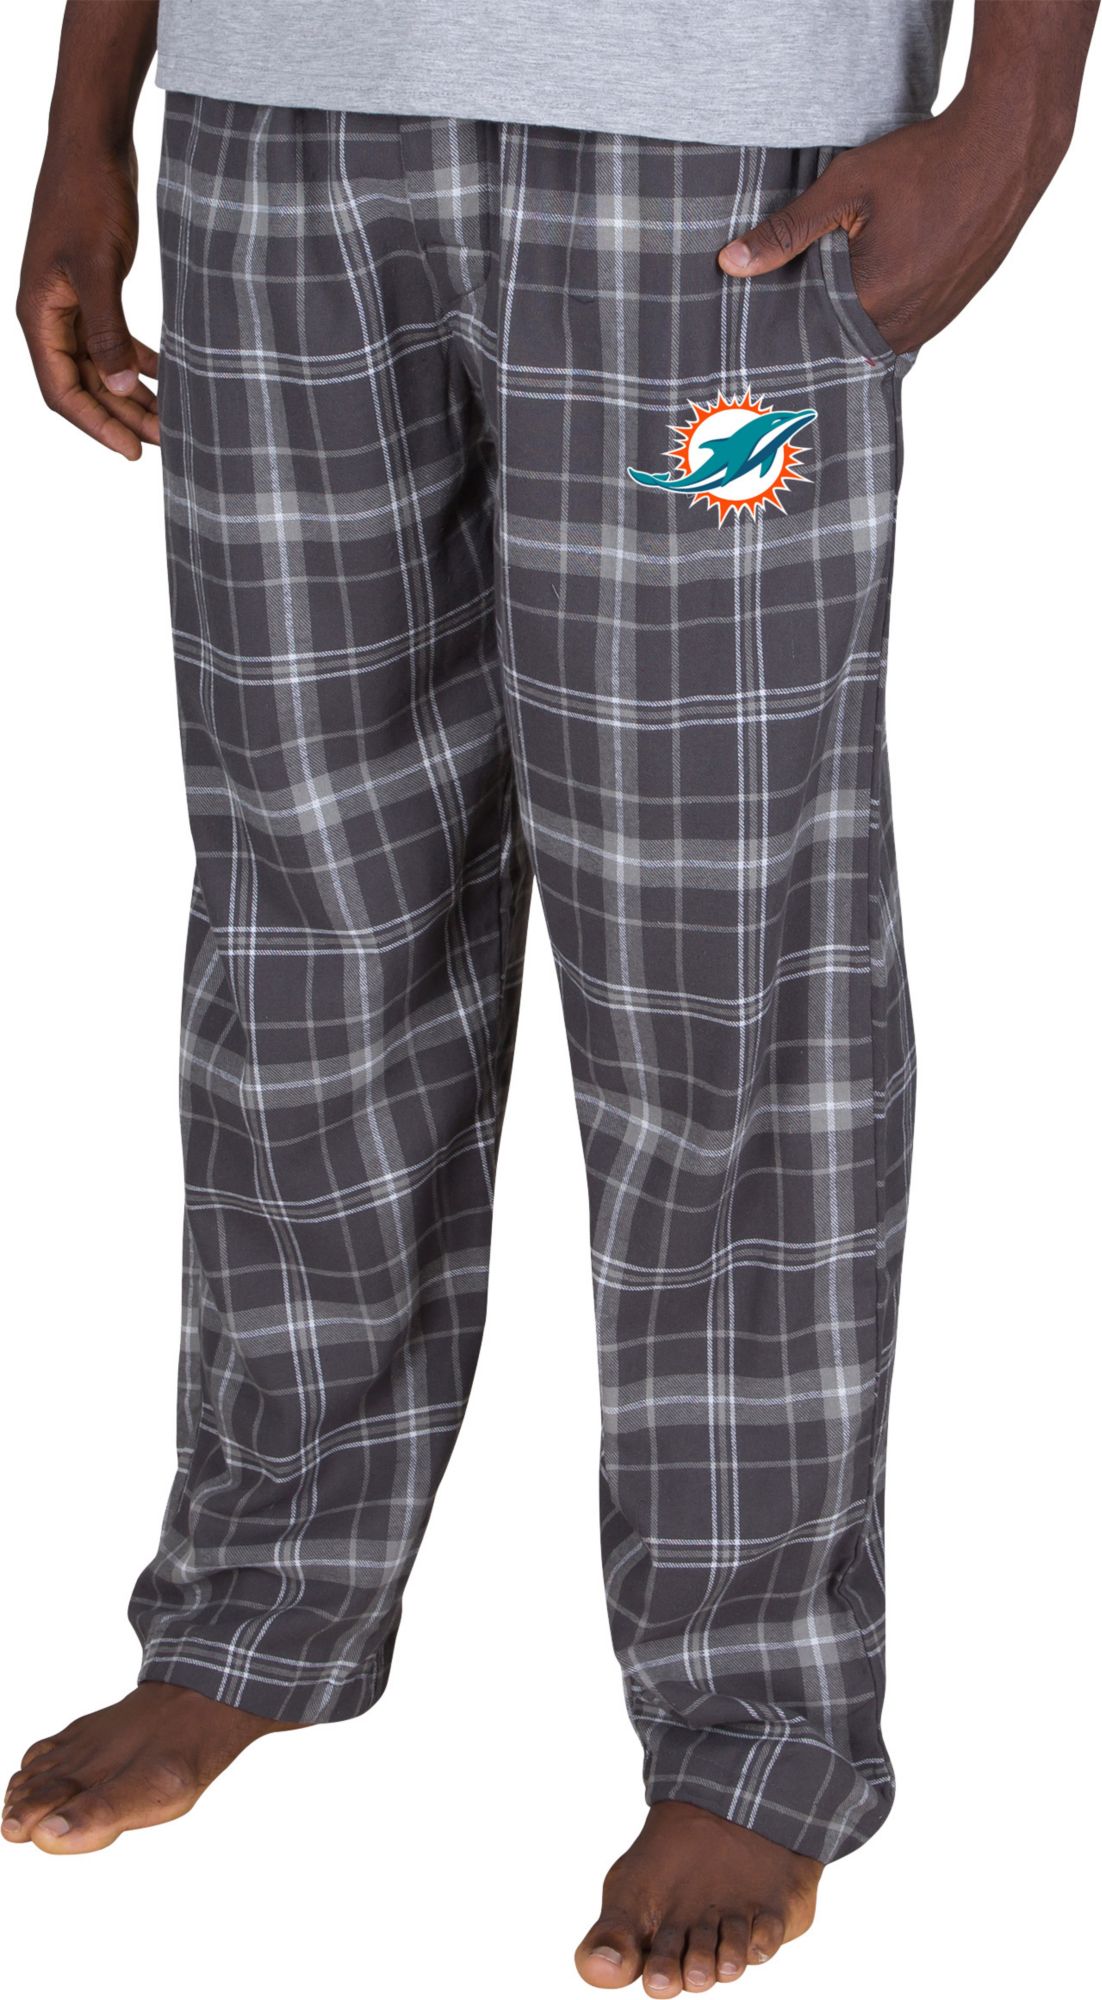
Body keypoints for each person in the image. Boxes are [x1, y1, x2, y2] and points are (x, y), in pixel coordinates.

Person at [4, 1, 1097, 1990]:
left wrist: (1017, 107)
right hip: (274, 127)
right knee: (303, 916)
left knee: (718, 950)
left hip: (716, 159)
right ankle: (258, 1600)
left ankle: (753, 1715)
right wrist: (90, 111)